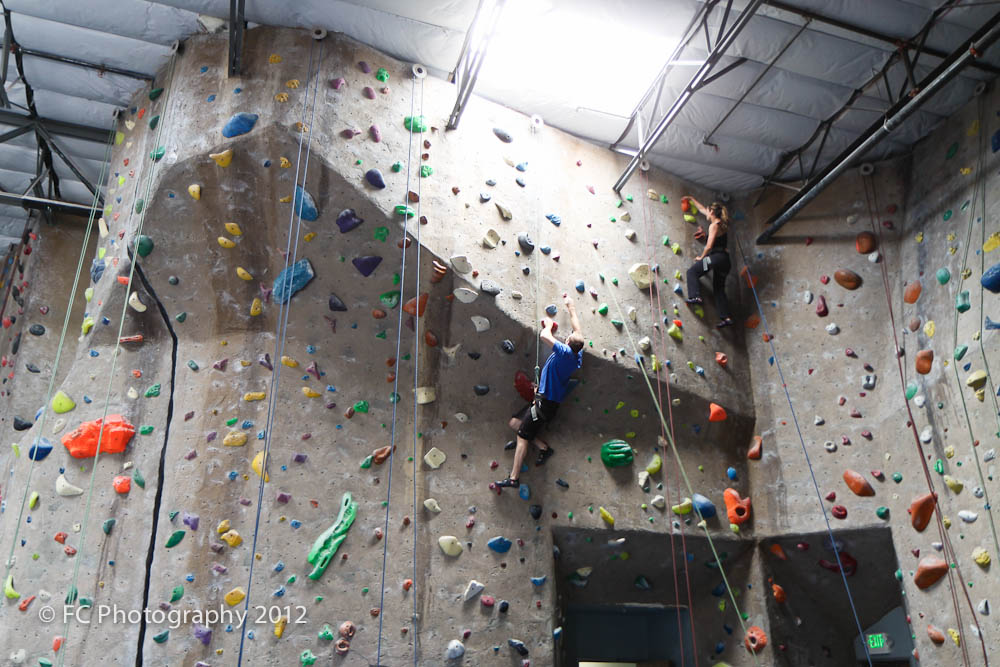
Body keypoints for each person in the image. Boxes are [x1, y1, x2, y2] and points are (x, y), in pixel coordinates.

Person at [495, 293, 584, 489]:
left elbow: (545, 336)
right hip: (545, 400)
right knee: (514, 423)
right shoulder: (577, 355)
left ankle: (514, 479)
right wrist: (571, 308)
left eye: (567, 338)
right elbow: (578, 330)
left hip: (544, 404)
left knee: (522, 437)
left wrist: (548, 326)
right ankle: (544, 448)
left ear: (568, 343)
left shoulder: (565, 352)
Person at [682, 197, 734, 328]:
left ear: (712, 212)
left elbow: (709, 246)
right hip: (725, 262)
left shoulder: (714, 226)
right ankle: (726, 317)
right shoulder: (722, 224)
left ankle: (695, 296)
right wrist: (692, 199)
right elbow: (701, 209)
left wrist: (701, 257)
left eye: (708, 210)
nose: (706, 212)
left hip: (715, 258)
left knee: (692, 272)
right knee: (719, 289)